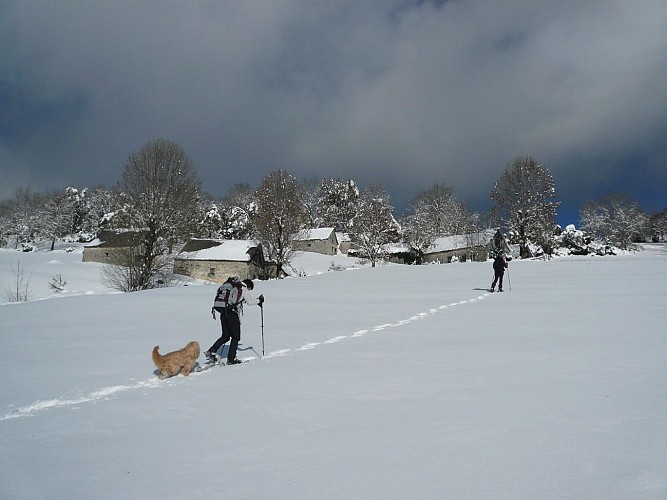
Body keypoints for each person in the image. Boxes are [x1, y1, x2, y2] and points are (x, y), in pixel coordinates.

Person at [205, 278, 264, 364]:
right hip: (232, 314)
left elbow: (238, 301)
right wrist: (259, 300)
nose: (249, 291)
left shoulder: (233, 287)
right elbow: (250, 302)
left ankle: (211, 351)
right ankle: (231, 359)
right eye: (250, 290)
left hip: (223, 311)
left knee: (225, 336)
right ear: (249, 286)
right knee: (236, 337)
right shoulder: (243, 288)